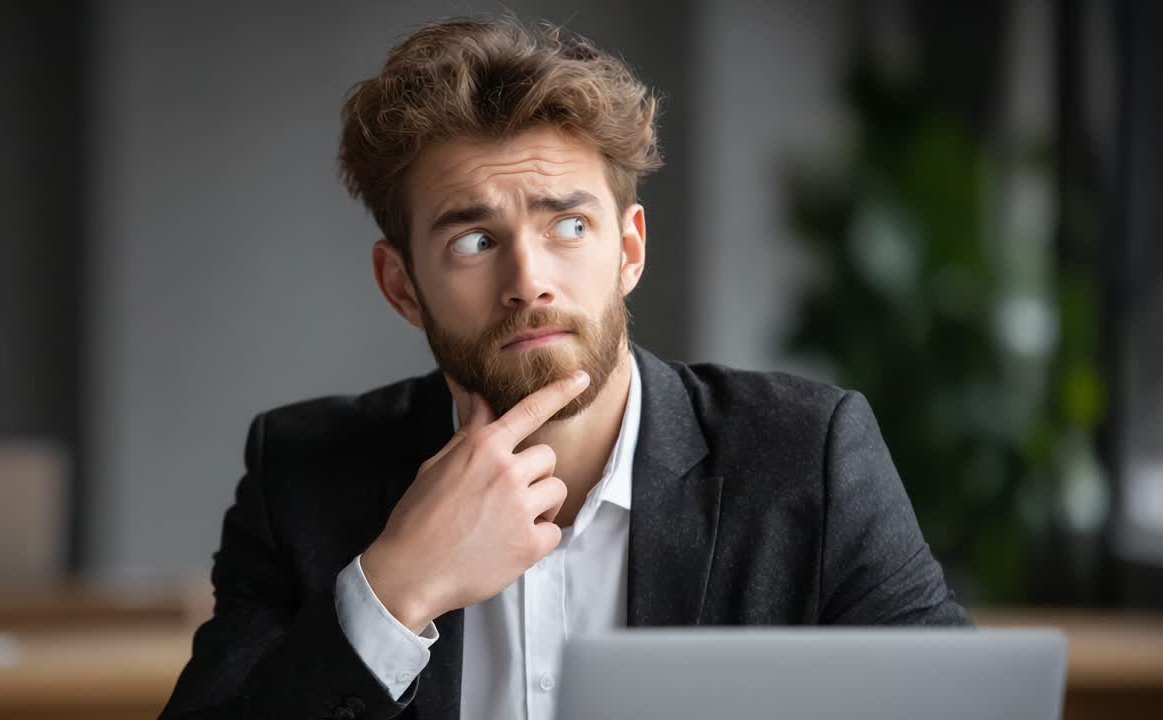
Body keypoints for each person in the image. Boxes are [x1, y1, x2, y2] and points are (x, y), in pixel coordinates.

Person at [160, 15, 971, 720]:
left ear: (628, 250)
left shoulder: (809, 458)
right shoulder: (300, 476)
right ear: (402, 285)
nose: (528, 281)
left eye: (569, 227)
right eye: (473, 241)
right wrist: (394, 590)